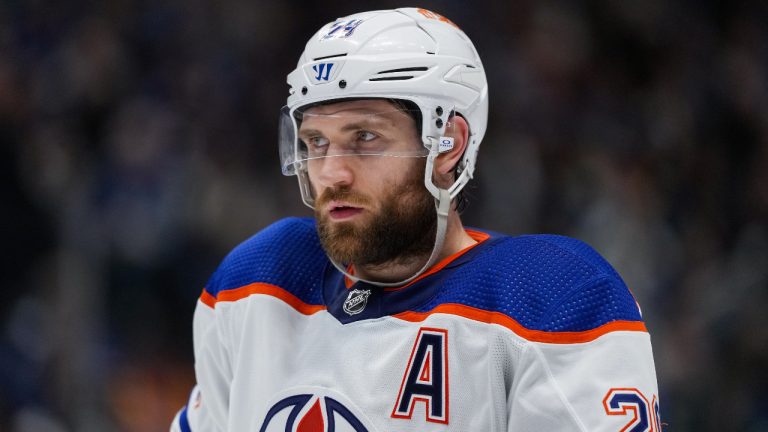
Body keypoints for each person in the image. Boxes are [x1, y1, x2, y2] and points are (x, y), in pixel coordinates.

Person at [172, 7, 660, 431]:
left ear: (449, 145)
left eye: (365, 137)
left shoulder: (548, 299)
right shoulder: (256, 284)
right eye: (316, 140)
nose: (332, 172)